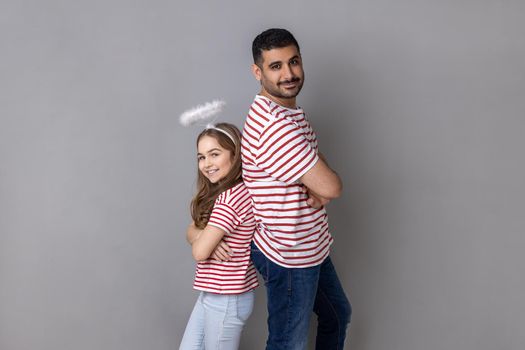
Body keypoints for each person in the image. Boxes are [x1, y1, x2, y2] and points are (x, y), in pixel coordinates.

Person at [240, 28, 352, 349]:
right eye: (276, 66)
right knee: (288, 343)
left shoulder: (288, 112)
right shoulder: (276, 126)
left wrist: (316, 180)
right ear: (258, 72)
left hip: (309, 244)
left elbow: (318, 172)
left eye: (294, 62)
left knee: (336, 315)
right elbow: (331, 186)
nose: (288, 74)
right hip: (289, 254)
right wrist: (319, 184)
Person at [180, 123, 259, 350]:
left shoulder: (229, 200)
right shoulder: (235, 191)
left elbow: (199, 251)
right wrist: (205, 239)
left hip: (227, 298)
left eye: (215, 154)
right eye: (201, 157)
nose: (207, 164)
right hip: (213, 293)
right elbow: (191, 230)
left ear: (235, 155)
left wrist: (204, 243)